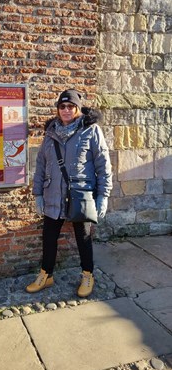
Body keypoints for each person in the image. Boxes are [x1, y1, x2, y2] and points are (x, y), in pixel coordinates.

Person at [26, 89, 112, 297]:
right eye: (62, 106)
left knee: (83, 237)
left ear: (78, 109)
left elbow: (103, 165)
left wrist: (103, 196)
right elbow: (41, 165)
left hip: (80, 194)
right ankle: (46, 275)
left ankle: (87, 274)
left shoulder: (91, 131)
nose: (66, 110)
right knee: (48, 236)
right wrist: (38, 194)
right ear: (58, 109)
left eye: (70, 106)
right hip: (53, 194)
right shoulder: (50, 132)